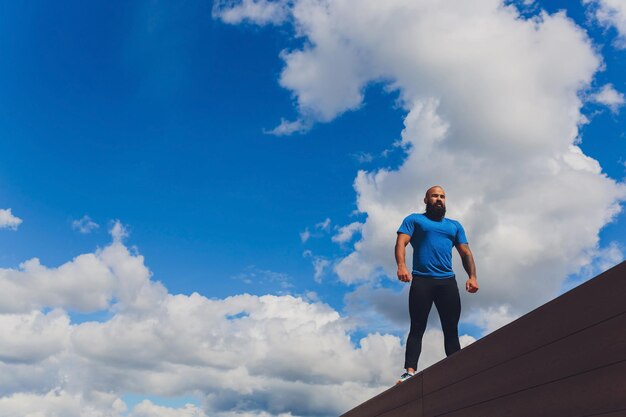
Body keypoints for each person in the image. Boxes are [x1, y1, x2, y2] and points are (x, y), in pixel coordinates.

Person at [395, 185, 478, 384]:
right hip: (422, 280)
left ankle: (456, 372)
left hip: (447, 282)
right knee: (417, 328)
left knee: (451, 329)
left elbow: (465, 252)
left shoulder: (454, 226)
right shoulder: (414, 220)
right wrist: (401, 266)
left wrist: (473, 276)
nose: (439, 199)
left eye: (442, 196)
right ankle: (409, 372)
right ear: (426, 200)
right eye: (434, 196)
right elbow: (400, 243)